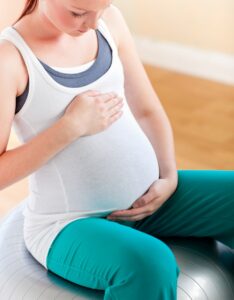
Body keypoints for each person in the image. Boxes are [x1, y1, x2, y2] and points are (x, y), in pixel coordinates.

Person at [0, 0, 233, 299]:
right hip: (69, 225)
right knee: (150, 263)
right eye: (78, 12)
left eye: (103, 7)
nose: (94, 23)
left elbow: (147, 110)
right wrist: (69, 128)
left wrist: (169, 174)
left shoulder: (110, 22)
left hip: (146, 202)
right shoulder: (10, 60)